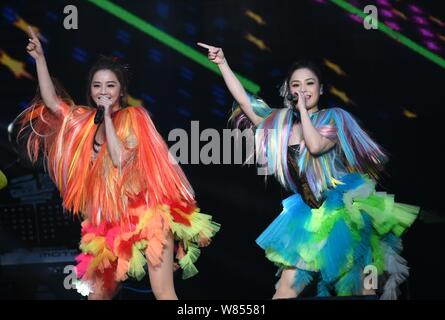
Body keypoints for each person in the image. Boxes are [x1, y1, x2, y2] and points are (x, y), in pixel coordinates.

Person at [198, 42, 419, 299]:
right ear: (288, 90)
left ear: (321, 89)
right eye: (296, 85)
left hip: (343, 214)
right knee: (284, 293)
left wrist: (302, 110)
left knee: (359, 290)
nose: (303, 90)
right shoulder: (280, 125)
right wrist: (222, 63)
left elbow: (314, 146)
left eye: (309, 83)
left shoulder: (334, 118)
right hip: (307, 217)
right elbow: (246, 103)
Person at [13, 27, 220, 300]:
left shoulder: (133, 117)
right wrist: (40, 58)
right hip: (109, 223)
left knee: (163, 292)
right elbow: (52, 103)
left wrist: (109, 118)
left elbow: (121, 159)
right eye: (97, 86)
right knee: (97, 295)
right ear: (90, 90)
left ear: (121, 91)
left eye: (110, 85)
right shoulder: (85, 122)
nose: (103, 91)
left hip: (146, 214)